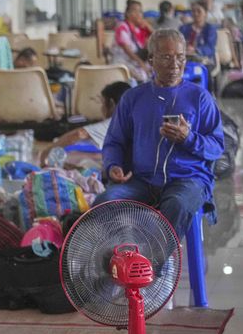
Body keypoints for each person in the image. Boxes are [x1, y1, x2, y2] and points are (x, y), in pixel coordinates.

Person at [95, 29, 224, 239]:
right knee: (105, 202)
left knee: (177, 205)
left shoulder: (199, 98)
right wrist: (113, 166)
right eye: (166, 57)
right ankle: (122, 259)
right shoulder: (133, 98)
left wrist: (188, 139)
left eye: (180, 57)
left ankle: (153, 266)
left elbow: (217, 146)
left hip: (187, 179)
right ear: (151, 60)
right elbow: (114, 142)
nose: (175, 64)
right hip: (142, 180)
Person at [53, 81, 131, 149]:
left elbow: (78, 135)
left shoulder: (114, 123)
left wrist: (48, 151)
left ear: (111, 104)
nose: (102, 108)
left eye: (102, 103)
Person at [111, 0, 153, 82]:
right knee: (144, 76)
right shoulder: (122, 27)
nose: (139, 15)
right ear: (128, 14)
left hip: (134, 62)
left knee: (154, 72)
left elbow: (157, 39)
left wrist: (149, 27)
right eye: (136, 11)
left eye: (141, 12)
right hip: (122, 62)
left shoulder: (138, 29)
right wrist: (142, 64)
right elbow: (127, 51)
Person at [180, 1, 218, 67]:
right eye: (193, 11)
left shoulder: (210, 28)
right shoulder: (184, 28)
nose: (195, 14)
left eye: (199, 11)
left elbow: (210, 47)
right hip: (185, 58)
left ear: (205, 13)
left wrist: (196, 50)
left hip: (204, 59)